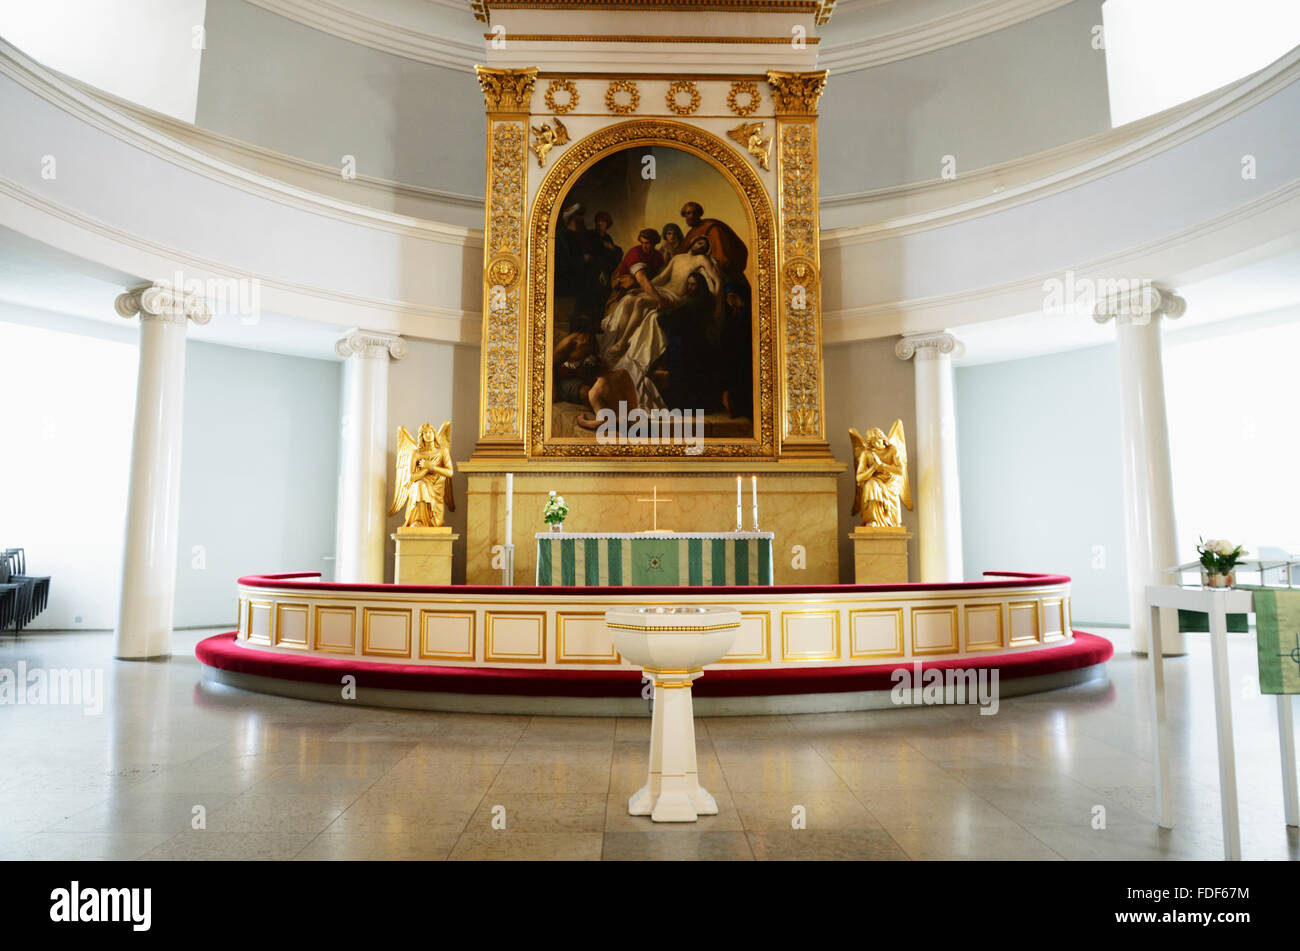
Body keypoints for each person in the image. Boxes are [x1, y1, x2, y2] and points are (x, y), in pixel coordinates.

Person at [603, 235, 723, 365]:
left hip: (674, 296)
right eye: (699, 242)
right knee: (629, 299)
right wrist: (642, 289)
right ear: (692, 242)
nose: (701, 246)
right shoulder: (677, 258)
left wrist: (716, 300)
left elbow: (717, 280)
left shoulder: (702, 259)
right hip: (663, 290)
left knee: (640, 302)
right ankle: (620, 340)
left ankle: (623, 342)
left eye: (704, 245)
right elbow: (662, 277)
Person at [680, 201, 748, 278]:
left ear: (699, 214)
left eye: (694, 213)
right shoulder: (690, 233)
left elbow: (721, 258)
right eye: (688, 213)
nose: (691, 216)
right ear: (684, 215)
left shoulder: (711, 227)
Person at [719, 281, 753, 420]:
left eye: (731, 297)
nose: (728, 300)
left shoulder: (747, 312)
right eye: (727, 297)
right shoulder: (732, 312)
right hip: (733, 355)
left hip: (743, 354)